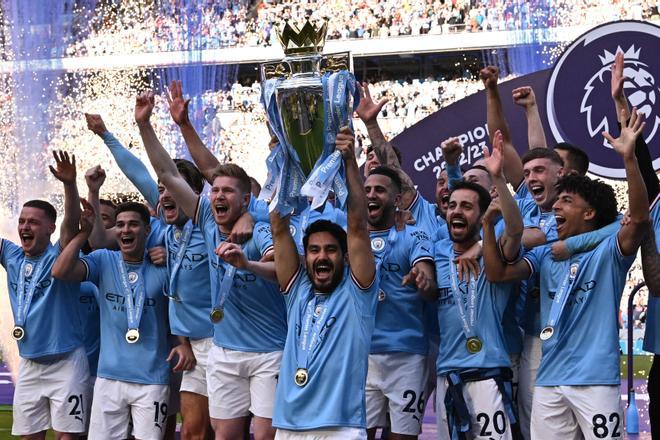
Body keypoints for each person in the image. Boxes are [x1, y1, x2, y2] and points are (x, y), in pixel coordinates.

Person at [482, 109, 648, 439]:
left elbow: (639, 219)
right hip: (548, 379)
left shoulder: (608, 254)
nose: (556, 207)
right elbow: (499, 273)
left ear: (589, 213)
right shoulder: (545, 255)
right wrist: (488, 221)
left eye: (566, 201)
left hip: (595, 381)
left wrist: (630, 159)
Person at [134, 88, 286, 440]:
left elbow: (280, 270)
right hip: (225, 351)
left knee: (264, 436)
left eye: (228, 192)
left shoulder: (262, 228)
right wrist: (145, 125)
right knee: (223, 435)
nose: (218, 196)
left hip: (269, 352)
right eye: (214, 190)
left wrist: (247, 265)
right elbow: (169, 175)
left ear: (247, 199)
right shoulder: (204, 217)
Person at [269, 126, 378, 439]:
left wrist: (349, 161)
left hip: (340, 426)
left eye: (331, 250)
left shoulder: (358, 292)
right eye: (314, 250)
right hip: (289, 425)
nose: (322, 257)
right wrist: (282, 161)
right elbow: (278, 227)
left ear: (345, 257)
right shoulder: (297, 289)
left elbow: (357, 225)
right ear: (305, 257)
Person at [52, 200, 179, 440]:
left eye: (133, 224)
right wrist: (83, 235)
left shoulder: (163, 267)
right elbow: (60, 271)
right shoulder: (103, 260)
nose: (125, 230)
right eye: (120, 225)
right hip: (109, 377)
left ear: (147, 230)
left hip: (152, 380)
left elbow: (179, 312)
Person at [434, 132, 523, 440]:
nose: (457, 211)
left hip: (488, 376)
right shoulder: (436, 253)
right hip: (448, 376)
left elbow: (515, 229)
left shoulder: (493, 253)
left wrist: (497, 178)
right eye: (452, 205)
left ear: (482, 214)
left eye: (467, 207)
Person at [3, 151, 90, 439]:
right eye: (22, 221)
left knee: (68, 437)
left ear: (50, 228)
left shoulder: (59, 253)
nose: (25, 227)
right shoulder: (11, 255)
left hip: (66, 363)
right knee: (30, 437)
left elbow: (72, 222)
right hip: (29, 363)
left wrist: (69, 184)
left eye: (33, 222)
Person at [363, 165, 436, 439]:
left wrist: (424, 280)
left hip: (407, 356)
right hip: (363, 355)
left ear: (396, 200)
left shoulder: (415, 235)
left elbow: (427, 275)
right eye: (367, 190)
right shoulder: (353, 240)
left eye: (379, 190)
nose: (372, 195)